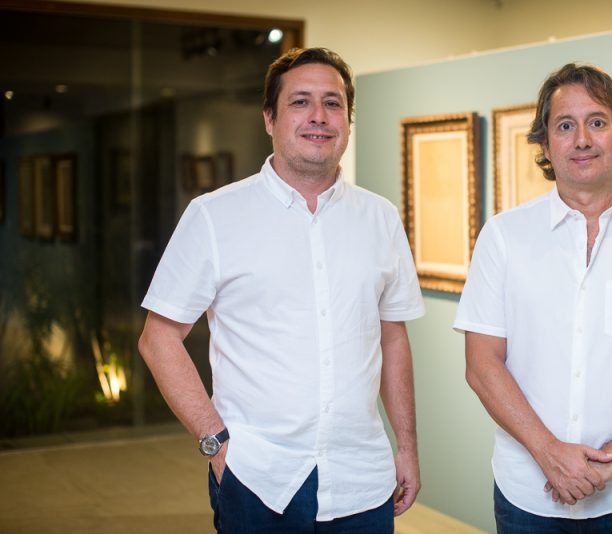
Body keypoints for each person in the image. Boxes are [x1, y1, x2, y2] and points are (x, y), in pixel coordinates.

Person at [138, 47, 425, 533]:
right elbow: (158, 338)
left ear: (348, 121)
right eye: (300, 102)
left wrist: (408, 446)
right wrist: (216, 446)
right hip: (256, 477)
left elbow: (391, 336)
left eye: (333, 103)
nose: (319, 116)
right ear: (269, 118)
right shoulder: (214, 215)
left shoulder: (380, 217)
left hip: (362, 476)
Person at [454, 63, 612, 533]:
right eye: (565, 126)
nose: (582, 140)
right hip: (528, 492)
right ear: (546, 145)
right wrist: (549, 452)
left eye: (597, 122)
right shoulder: (503, 238)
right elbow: (482, 365)